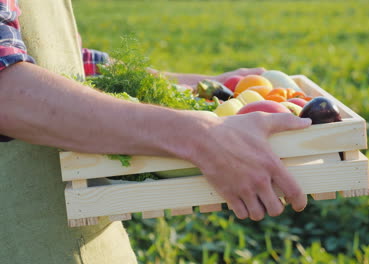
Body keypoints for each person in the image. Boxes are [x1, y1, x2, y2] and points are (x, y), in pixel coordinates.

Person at [0, 0, 311, 263]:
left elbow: (67, 65)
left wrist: (201, 86)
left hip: (91, 243)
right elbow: (8, 92)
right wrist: (200, 136)